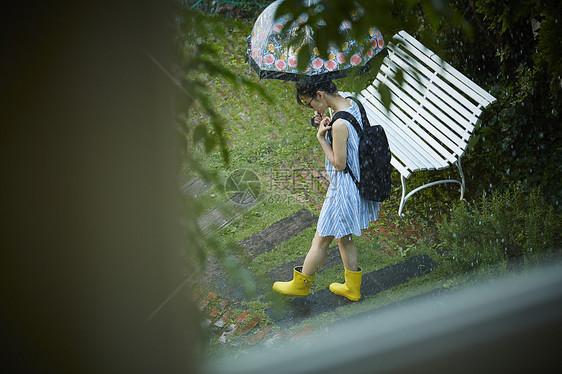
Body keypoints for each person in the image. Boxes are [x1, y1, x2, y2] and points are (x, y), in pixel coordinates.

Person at [272, 80, 380, 301]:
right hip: (355, 183)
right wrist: (321, 122)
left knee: (323, 239)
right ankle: (350, 287)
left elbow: (338, 163)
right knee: (342, 239)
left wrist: (321, 137)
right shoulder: (352, 102)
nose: (312, 109)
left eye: (310, 103)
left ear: (320, 94)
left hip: (342, 190)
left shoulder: (340, 125)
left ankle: (301, 284)